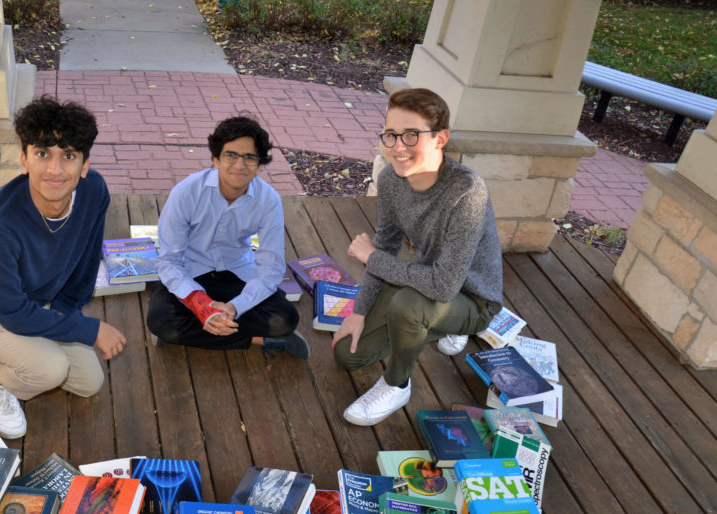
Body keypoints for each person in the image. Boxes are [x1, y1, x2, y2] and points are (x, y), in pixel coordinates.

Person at [0, 96, 126, 439]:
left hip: (35, 299)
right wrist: (88, 330)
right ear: (24, 160)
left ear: (84, 166)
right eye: (43, 154)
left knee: (89, 382)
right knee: (49, 370)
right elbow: (11, 312)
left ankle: (13, 349)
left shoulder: (93, 191)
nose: (55, 170)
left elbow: (85, 264)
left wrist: (67, 314)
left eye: (68, 156)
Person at [332, 88, 503, 426]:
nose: (398, 147)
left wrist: (371, 259)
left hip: (471, 297)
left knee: (409, 307)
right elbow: (385, 248)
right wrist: (359, 311)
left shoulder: (467, 192)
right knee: (348, 356)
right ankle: (434, 327)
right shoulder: (392, 183)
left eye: (411, 135)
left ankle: (397, 384)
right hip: (428, 279)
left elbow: (442, 286)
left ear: (440, 139)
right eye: (391, 135)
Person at [146, 116, 308, 358]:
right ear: (215, 159)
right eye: (231, 155)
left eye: (250, 157)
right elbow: (169, 261)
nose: (239, 165)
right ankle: (257, 340)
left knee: (285, 318)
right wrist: (202, 307)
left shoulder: (269, 200)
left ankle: (193, 331)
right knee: (160, 319)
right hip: (191, 274)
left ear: (260, 164)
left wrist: (235, 307)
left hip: (238, 273)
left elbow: (271, 268)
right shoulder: (186, 192)